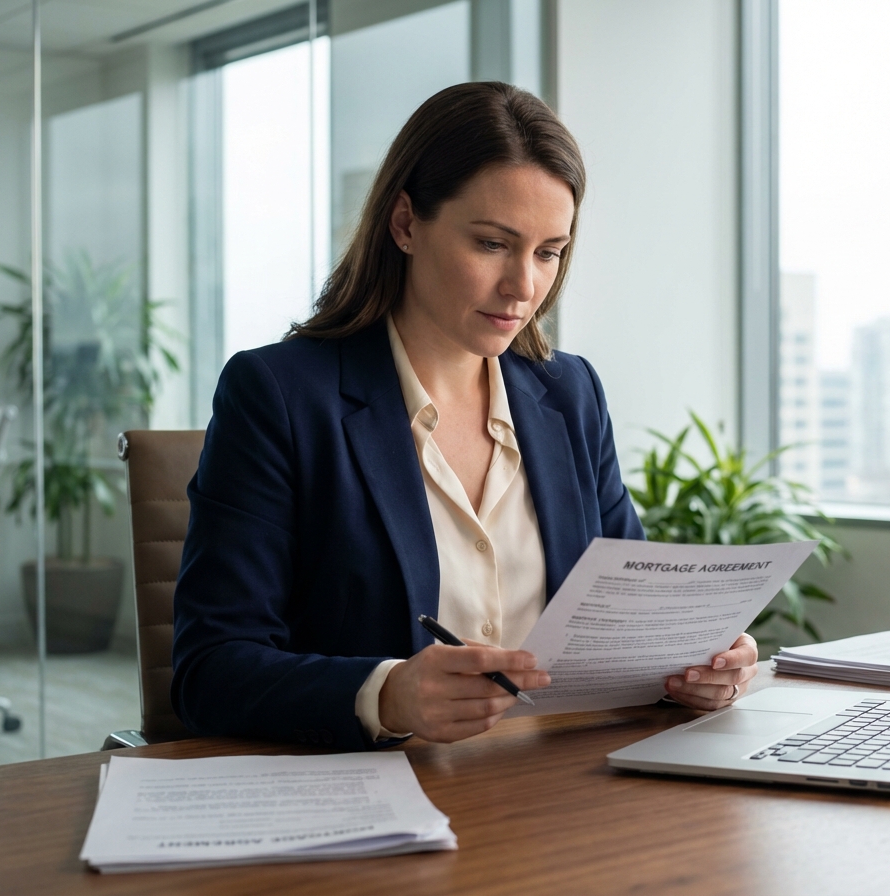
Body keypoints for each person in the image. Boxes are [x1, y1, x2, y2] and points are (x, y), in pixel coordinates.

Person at [172, 82, 758, 750]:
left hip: (560, 789)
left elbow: (628, 617)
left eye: (548, 252)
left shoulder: (570, 394)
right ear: (405, 224)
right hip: (381, 803)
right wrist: (387, 695)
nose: (524, 286)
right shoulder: (277, 393)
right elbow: (208, 669)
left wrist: (694, 664)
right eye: (491, 243)